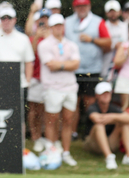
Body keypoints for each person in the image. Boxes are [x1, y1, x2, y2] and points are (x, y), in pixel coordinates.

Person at [64, 0, 111, 140]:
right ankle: (73, 133)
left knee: (90, 101)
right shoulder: (67, 22)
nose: (82, 9)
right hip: (73, 69)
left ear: (89, 7)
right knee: (73, 102)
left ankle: (90, 132)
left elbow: (108, 43)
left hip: (92, 69)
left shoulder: (98, 21)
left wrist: (92, 40)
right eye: (79, 6)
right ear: (74, 8)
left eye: (84, 6)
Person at [38, 14, 80, 166]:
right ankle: (52, 151)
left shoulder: (71, 44)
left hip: (70, 87)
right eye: (55, 25)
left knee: (68, 120)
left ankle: (66, 152)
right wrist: (67, 64)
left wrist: (61, 65)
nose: (58, 28)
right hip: (52, 87)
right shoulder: (44, 44)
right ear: (50, 27)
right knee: (52, 120)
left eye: (60, 25)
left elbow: (76, 64)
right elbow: (50, 65)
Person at [83, 82, 129, 169]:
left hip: (110, 141)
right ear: (97, 96)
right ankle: (109, 157)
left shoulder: (114, 108)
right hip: (93, 143)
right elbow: (96, 118)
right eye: (103, 93)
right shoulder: (92, 107)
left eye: (108, 93)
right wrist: (116, 118)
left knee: (124, 124)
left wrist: (112, 117)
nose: (106, 95)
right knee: (99, 125)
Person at [27, 8, 51, 153]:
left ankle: (46, 138)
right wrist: (37, 37)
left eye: (46, 19)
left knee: (48, 112)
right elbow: (31, 54)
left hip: (50, 80)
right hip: (36, 78)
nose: (43, 22)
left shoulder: (54, 37)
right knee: (34, 111)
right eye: (40, 19)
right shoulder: (32, 38)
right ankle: (36, 137)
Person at [103, 0, 129, 79]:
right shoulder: (103, 27)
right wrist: (114, 46)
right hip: (106, 65)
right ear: (106, 13)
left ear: (120, 12)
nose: (113, 13)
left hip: (124, 66)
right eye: (110, 11)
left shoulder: (126, 27)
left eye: (115, 11)